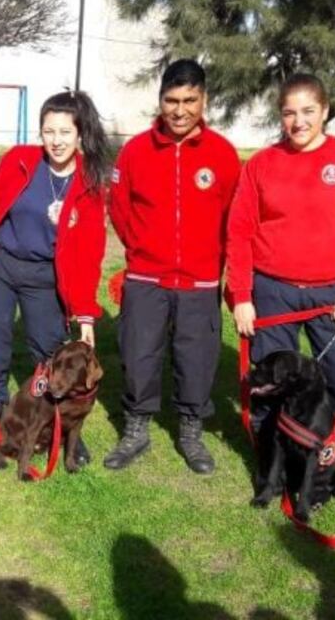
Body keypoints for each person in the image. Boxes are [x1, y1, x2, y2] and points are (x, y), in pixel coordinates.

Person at [226, 73, 335, 509]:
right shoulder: (261, 164)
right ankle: (272, 470)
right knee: (268, 385)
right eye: (288, 112)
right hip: (272, 292)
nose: (297, 121)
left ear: (324, 111)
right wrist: (242, 294)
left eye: (307, 111)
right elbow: (240, 231)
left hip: (332, 296)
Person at [0, 91, 109, 472]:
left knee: (50, 352)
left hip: (45, 275)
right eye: (48, 131)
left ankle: (63, 420)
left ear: (79, 135)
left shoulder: (90, 182)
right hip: (1, 264)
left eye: (64, 131)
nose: (56, 140)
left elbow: (90, 253)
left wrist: (86, 315)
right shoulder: (20, 161)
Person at [104, 60, 241, 475]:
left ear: (204, 100)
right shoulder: (135, 151)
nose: (180, 110)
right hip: (146, 276)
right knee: (138, 353)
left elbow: (234, 214)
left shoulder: (222, 154)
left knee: (195, 357)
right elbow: (120, 207)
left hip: (199, 280)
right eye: (171, 100)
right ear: (160, 100)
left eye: (189, 100)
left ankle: (190, 431)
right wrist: (144, 248)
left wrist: (214, 260)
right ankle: (136, 428)